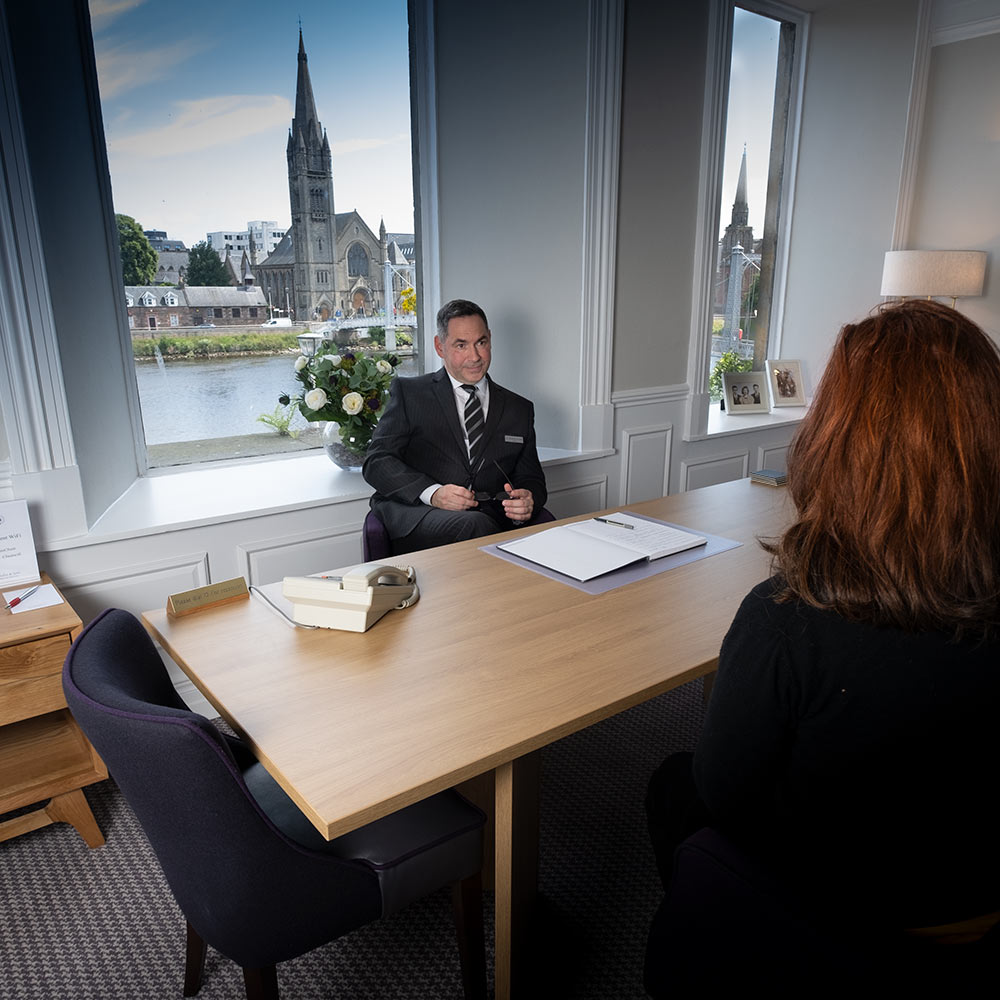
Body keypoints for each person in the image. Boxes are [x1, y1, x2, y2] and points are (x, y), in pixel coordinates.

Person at [646, 301, 1000, 978]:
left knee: (673, 784)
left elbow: (725, 797)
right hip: (978, 900)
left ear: (838, 441)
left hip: (838, 919)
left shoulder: (787, 621)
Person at [363, 298, 547, 554]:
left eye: (481, 343)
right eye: (461, 345)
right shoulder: (410, 393)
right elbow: (377, 462)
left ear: (490, 340)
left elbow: (532, 478)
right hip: (421, 514)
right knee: (475, 527)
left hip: (491, 518)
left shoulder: (519, 408)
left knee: (549, 529)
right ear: (440, 347)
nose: (475, 356)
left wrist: (529, 499)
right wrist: (433, 493)